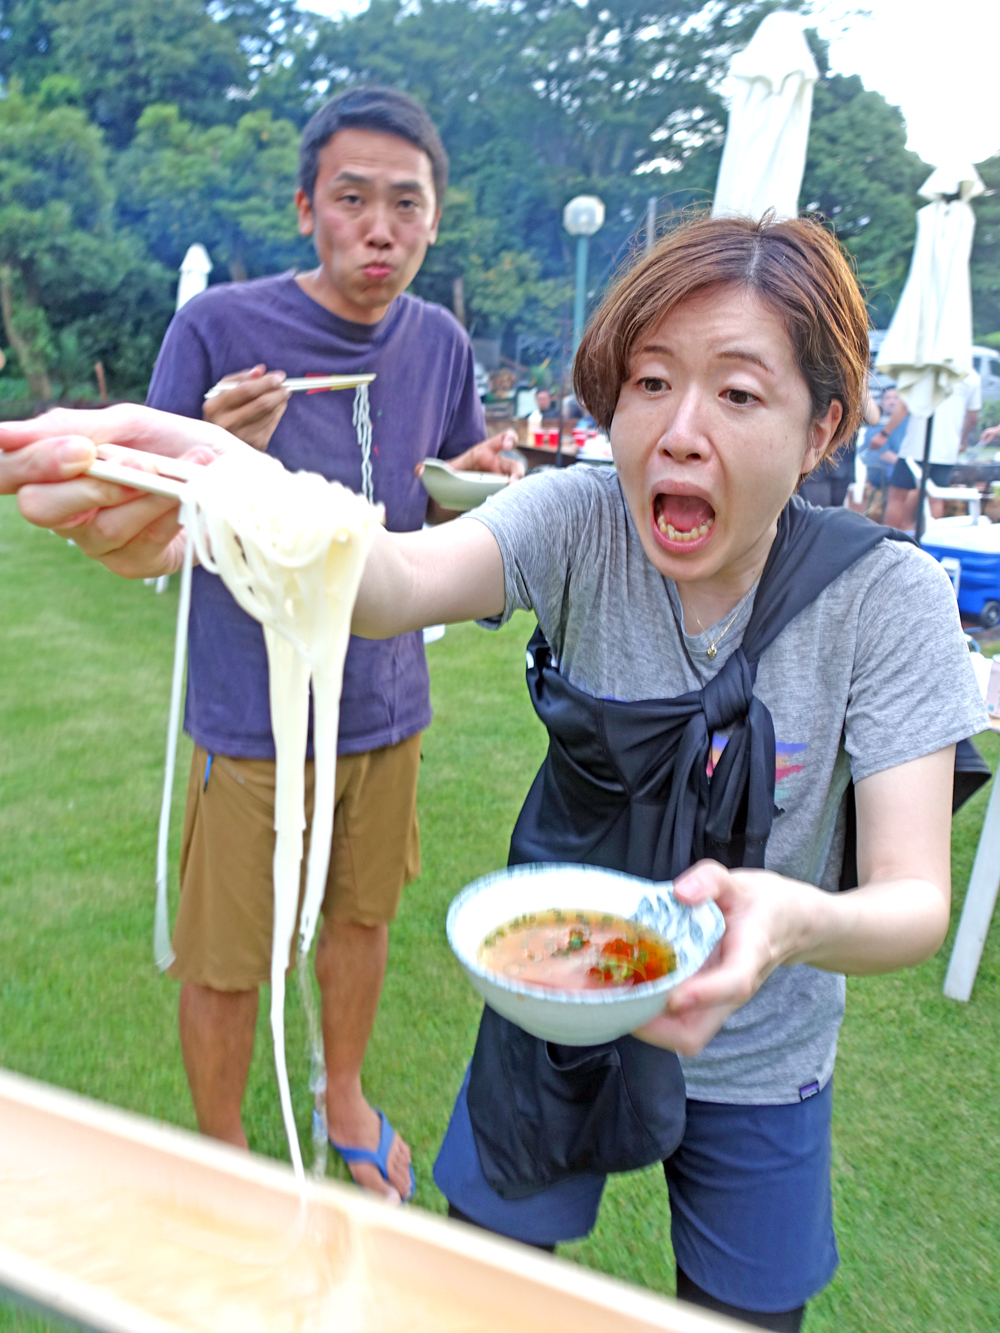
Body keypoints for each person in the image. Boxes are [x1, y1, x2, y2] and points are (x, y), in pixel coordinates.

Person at [0, 214, 986, 1330]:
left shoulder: (886, 597)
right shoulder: (580, 518)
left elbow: (911, 900)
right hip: (554, 1002)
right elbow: (386, 582)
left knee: (745, 1314)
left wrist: (789, 921)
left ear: (824, 429)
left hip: (761, 1047)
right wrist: (218, 476)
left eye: (740, 395)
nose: (676, 431)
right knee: (479, 1292)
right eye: (649, 381)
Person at [12, 85, 521, 1206]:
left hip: (387, 699)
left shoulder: (439, 342)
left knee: (362, 916)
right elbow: (137, 515)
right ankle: (225, 1158)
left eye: (405, 202)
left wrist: (480, 483)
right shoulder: (219, 330)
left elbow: (433, 499)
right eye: (352, 199)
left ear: (434, 218)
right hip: (249, 714)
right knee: (229, 955)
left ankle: (341, 1097)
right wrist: (209, 444)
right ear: (306, 208)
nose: (379, 226)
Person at [882, 371, 982, 530]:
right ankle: (929, 542)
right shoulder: (971, 376)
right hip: (946, 450)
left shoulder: (925, 365)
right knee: (936, 498)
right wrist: (963, 437)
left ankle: (887, 541)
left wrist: (884, 433)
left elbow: (904, 406)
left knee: (897, 496)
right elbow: (973, 417)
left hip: (914, 447)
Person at [797, 390, 879, 508]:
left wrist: (862, 385)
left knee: (832, 516)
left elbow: (874, 418)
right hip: (815, 468)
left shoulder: (853, 393)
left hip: (842, 468)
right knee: (817, 516)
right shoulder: (820, 384)